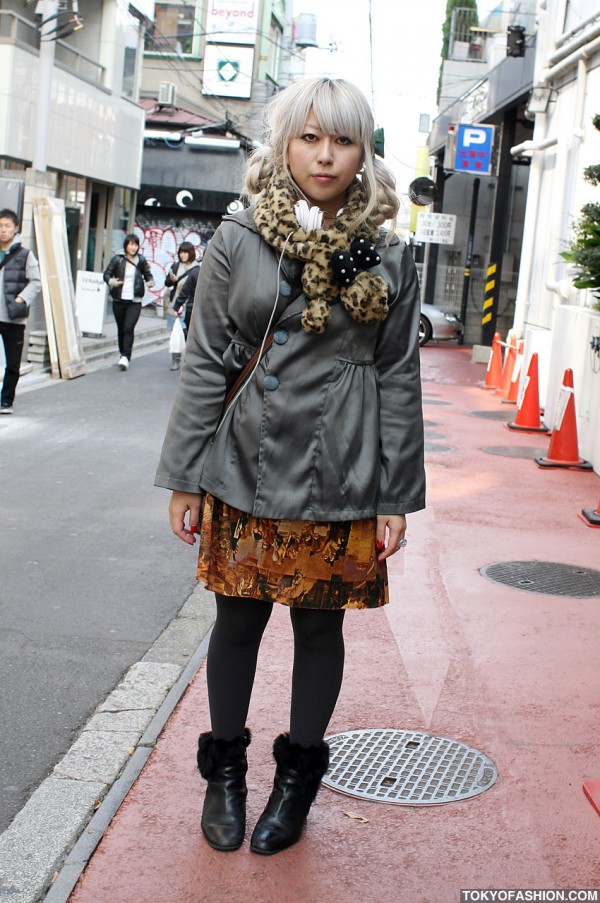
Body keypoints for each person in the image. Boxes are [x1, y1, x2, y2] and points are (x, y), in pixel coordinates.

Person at [155, 77, 425, 856]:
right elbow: (206, 360)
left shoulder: (391, 251)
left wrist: (395, 495)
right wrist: (184, 476)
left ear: (362, 150)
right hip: (244, 459)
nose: (325, 155)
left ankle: (296, 780)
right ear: (283, 144)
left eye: (341, 140)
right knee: (236, 617)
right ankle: (226, 774)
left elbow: (400, 374)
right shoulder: (240, 236)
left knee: (318, 625)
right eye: (309, 137)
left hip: (342, 468)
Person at [0, 209, 41, 415]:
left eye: (7, 226)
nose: (3, 230)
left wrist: (21, 299)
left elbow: (36, 281)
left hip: (13, 317)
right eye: (0, 226)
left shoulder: (25, 255)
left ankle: (6, 401)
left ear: (15, 228)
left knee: (13, 363)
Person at [103, 233, 154, 370]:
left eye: (136, 244)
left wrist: (150, 281)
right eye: (131, 244)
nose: (133, 247)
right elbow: (106, 274)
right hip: (119, 300)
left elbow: (147, 274)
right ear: (126, 245)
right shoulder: (118, 259)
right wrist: (112, 281)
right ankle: (122, 354)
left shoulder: (141, 260)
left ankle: (126, 356)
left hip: (135, 301)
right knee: (121, 329)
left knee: (128, 328)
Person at [163, 241, 199, 370]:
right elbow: (167, 283)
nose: (183, 255)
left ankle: (188, 359)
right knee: (175, 332)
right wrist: (170, 280)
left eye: (185, 252)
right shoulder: (176, 266)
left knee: (186, 332)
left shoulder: (197, 268)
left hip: (189, 305)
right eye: (181, 252)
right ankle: (176, 360)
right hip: (175, 302)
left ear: (191, 253)